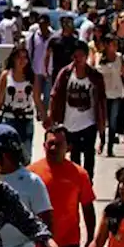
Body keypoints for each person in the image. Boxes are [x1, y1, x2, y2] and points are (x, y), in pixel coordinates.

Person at [49, 40, 109, 179]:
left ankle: (88, 183)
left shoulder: (95, 76)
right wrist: (52, 119)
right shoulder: (65, 74)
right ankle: (76, 184)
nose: (78, 59)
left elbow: (101, 101)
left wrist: (102, 128)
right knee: (74, 156)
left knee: (89, 155)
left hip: (89, 123)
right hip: (70, 124)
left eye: (81, 55)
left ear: (87, 56)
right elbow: (55, 95)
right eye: (76, 56)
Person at [0, 45, 45, 161]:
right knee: (8, 154)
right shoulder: (6, 76)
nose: (22, 61)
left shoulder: (32, 77)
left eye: (25, 58)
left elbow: (37, 99)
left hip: (26, 119)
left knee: (26, 154)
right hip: (9, 118)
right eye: (19, 57)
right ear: (13, 59)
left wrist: (45, 119)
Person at [96, 39, 124, 158]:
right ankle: (102, 141)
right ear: (107, 45)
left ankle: (110, 148)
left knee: (112, 122)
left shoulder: (119, 57)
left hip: (116, 93)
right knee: (102, 121)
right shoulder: (100, 58)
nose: (115, 47)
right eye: (113, 45)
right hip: (103, 94)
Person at [28, 14, 56, 102]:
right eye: (40, 24)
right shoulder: (33, 37)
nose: (42, 26)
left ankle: (45, 114)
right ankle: (39, 114)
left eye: (44, 23)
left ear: (48, 24)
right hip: (36, 71)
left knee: (48, 97)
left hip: (49, 72)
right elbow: (29, 53)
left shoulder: (54, 37)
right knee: (36, 96)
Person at [48, 16, 81, 82]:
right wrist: (47, 71)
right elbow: (47, 55)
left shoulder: (75, 40)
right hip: (57, 72)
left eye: (71, 23)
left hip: (70, 72)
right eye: (67, 23)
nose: (69, 26)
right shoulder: (54, 39)